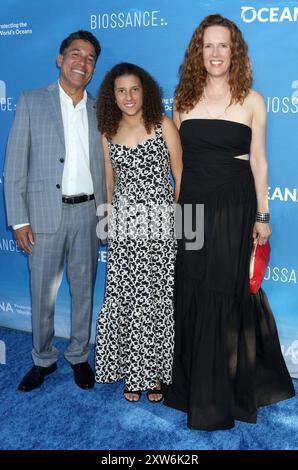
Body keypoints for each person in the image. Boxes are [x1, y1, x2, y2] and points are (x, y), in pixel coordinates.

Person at [163, 14, 295, 430]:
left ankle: (222, 394)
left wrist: (263, 215)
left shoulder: (253, 100)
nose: (216, 54)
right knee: (192, 288)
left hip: (235, 207)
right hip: (192, 206)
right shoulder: (182, 100)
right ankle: (189, 387)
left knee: (223, 289)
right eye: (208, 46)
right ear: (197, 53)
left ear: (234, 51)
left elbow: (258, 161)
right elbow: (178, 166)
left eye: (223, 46)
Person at [4, 30, 106, 392]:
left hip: (88, 214)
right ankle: (43, 359)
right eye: (76, 54)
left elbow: (106, 165)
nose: (83, 62)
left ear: (94, 68)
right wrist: (19, 220)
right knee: (42, 294)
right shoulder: (32, 101)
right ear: (60, 59)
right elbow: (15, 166)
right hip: (44, 215)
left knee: (84, 291)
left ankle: (78, 355)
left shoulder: (100, 109)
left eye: (90, 58)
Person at [94, 63, 182, 402]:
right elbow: (110, 182)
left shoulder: (163, 125)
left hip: (159, 227)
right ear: (112, 96)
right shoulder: (107, 131)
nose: (128, 96)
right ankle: (133, 370)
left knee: (155, 300)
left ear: (145, 90)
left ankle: (156, 374)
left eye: (134, 89)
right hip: (124, 230)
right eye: (121, 90)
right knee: (126, 299)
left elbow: (180, 175)